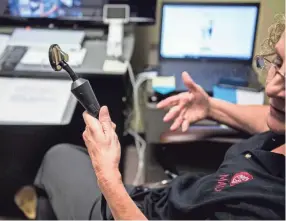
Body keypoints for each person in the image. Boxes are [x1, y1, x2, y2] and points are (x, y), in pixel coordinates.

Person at [15, 15, 285, 220]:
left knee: (58, 157)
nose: (272, 87)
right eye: (280, 63)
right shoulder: (280, 130)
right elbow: (267, 119)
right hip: (167, 196)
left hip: (133, 212)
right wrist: (212, 107)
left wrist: (108, 178)